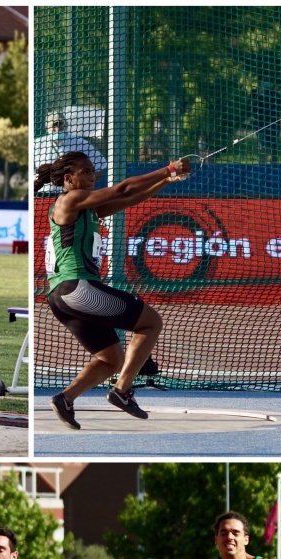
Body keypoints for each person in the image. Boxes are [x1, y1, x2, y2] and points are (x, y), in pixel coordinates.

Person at [36, 151, 191, 430]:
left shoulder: (86, 209)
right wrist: (167, 169)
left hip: (62, 297)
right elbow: (123, 188)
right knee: (151, 322)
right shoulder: (70, 199)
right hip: (77, 288)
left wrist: (166, 181)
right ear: (69, 179)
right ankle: (122, 391)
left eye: (92, 171)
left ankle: (65, 398)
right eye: (85, 172)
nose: (92, 176)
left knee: (111, 358)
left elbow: (129, 199)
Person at [34, 112, 107, 194]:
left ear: (67, 124)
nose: (57, 129)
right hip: (43, 194)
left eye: (60, 124)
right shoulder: (36, 144)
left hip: (70, 195)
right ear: (47, 126)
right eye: (54, 125)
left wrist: (84, 184)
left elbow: (101, 165)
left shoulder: (80, 143)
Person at [249, 81, 281, 164]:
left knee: (274, 145)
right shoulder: (254, 93)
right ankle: (262, 163)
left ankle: (274, 163)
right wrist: (258, 94)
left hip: (273, 122)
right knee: (262, 144)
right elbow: (251, 104)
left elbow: (280, 105)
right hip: (260, 123)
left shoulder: (273, 93)